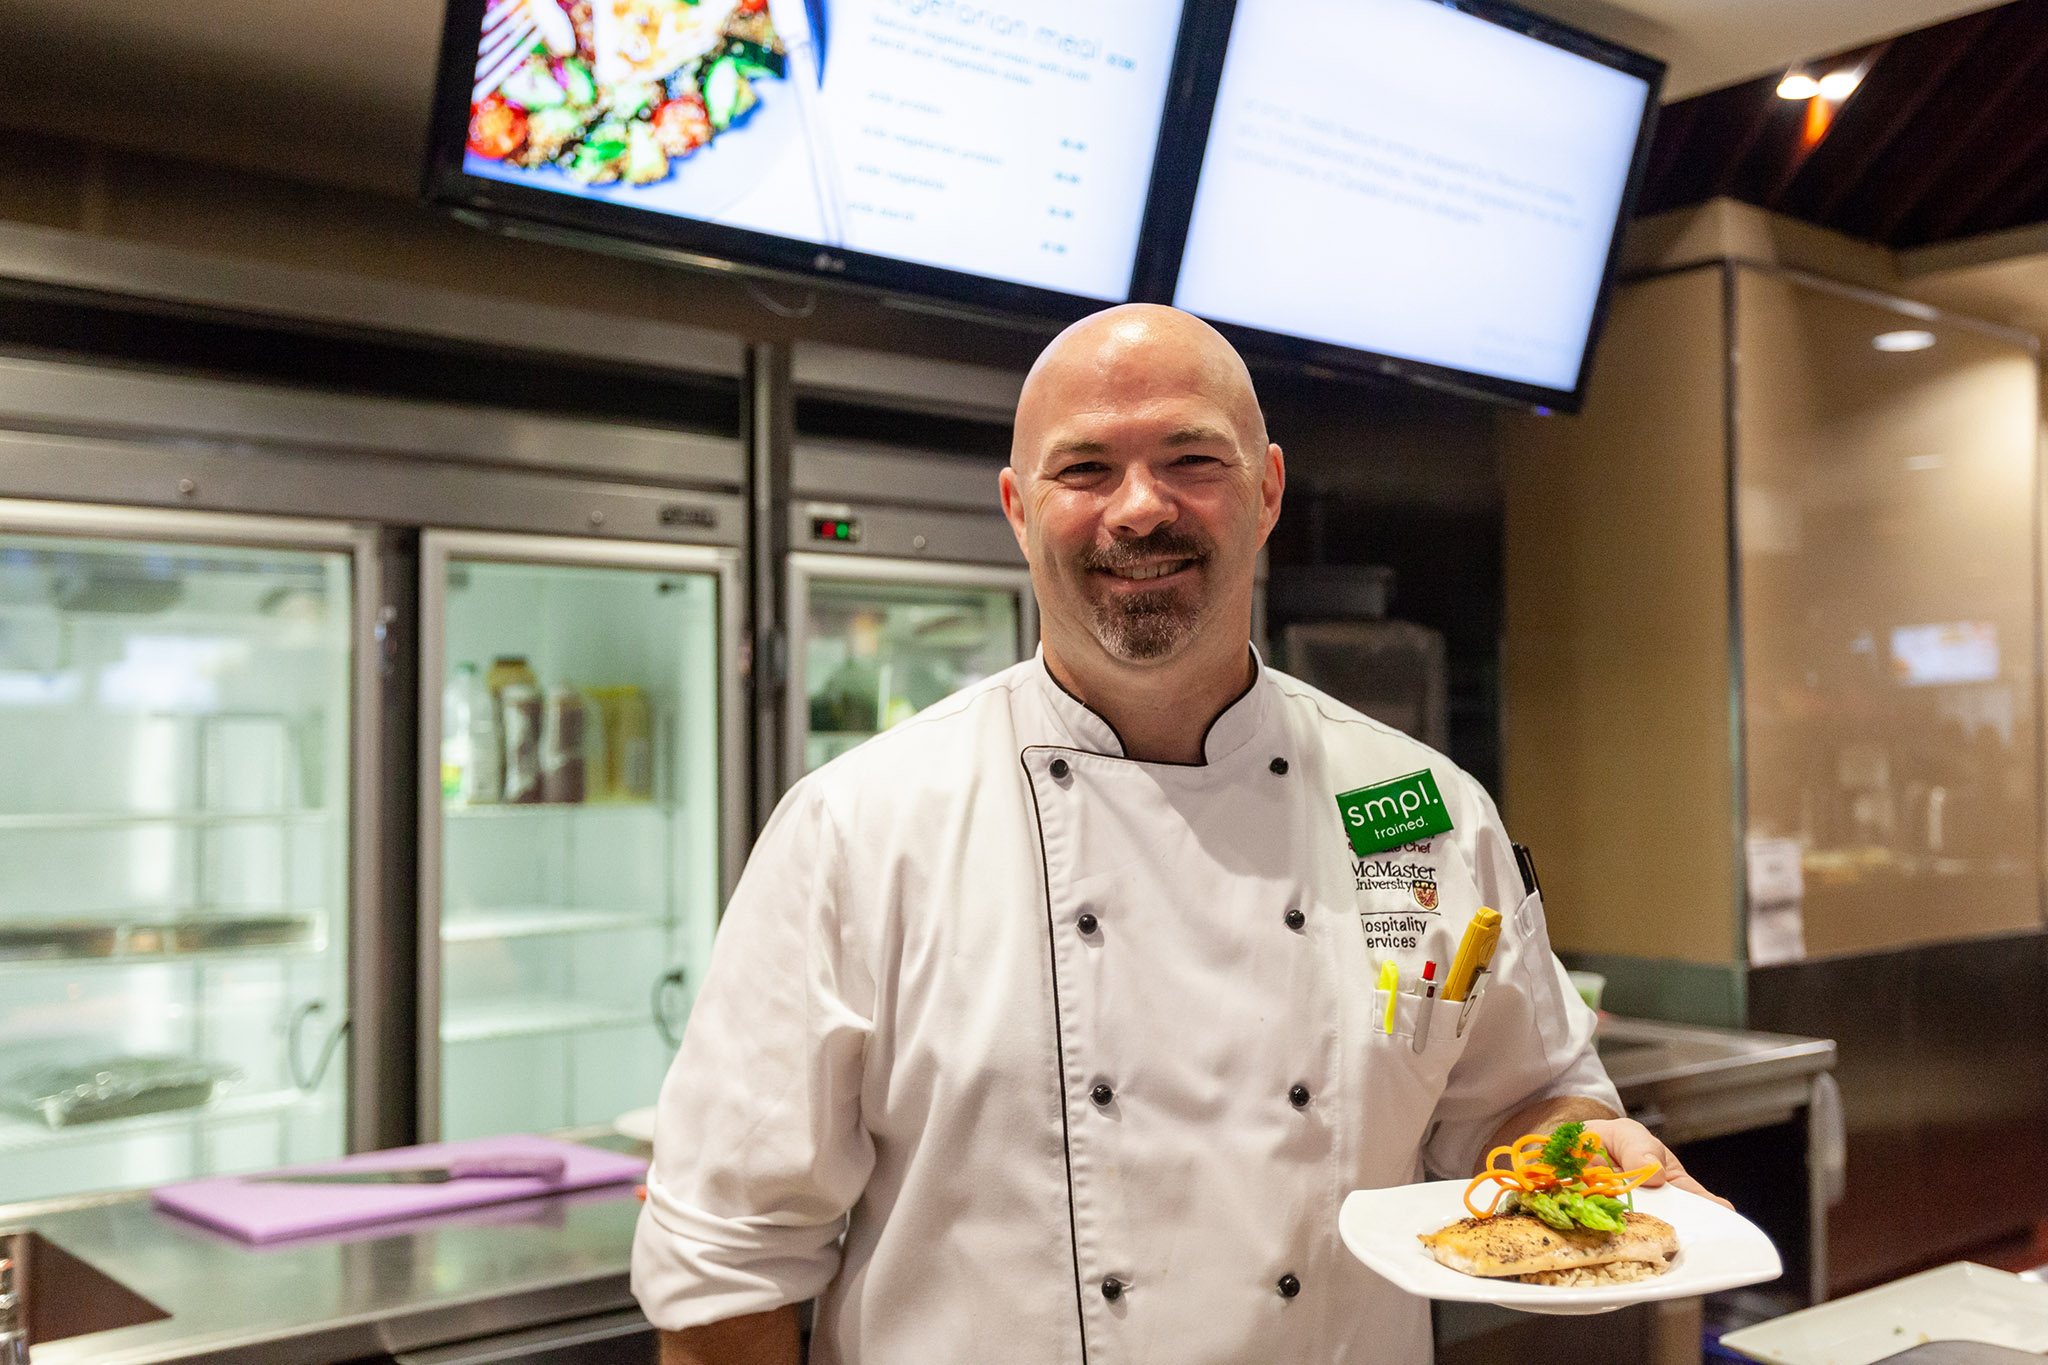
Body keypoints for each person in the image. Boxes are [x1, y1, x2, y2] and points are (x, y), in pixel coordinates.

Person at [632, 305, 1718, 1364]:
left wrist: (1576, 1147)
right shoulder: (856, 829)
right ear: (1017, 507)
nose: (1139, 509)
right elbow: (726, 1275)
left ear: (1267, 492)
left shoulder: (1418, 810)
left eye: (1191, 459)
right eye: (1085, 468)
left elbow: (1523, 1097)